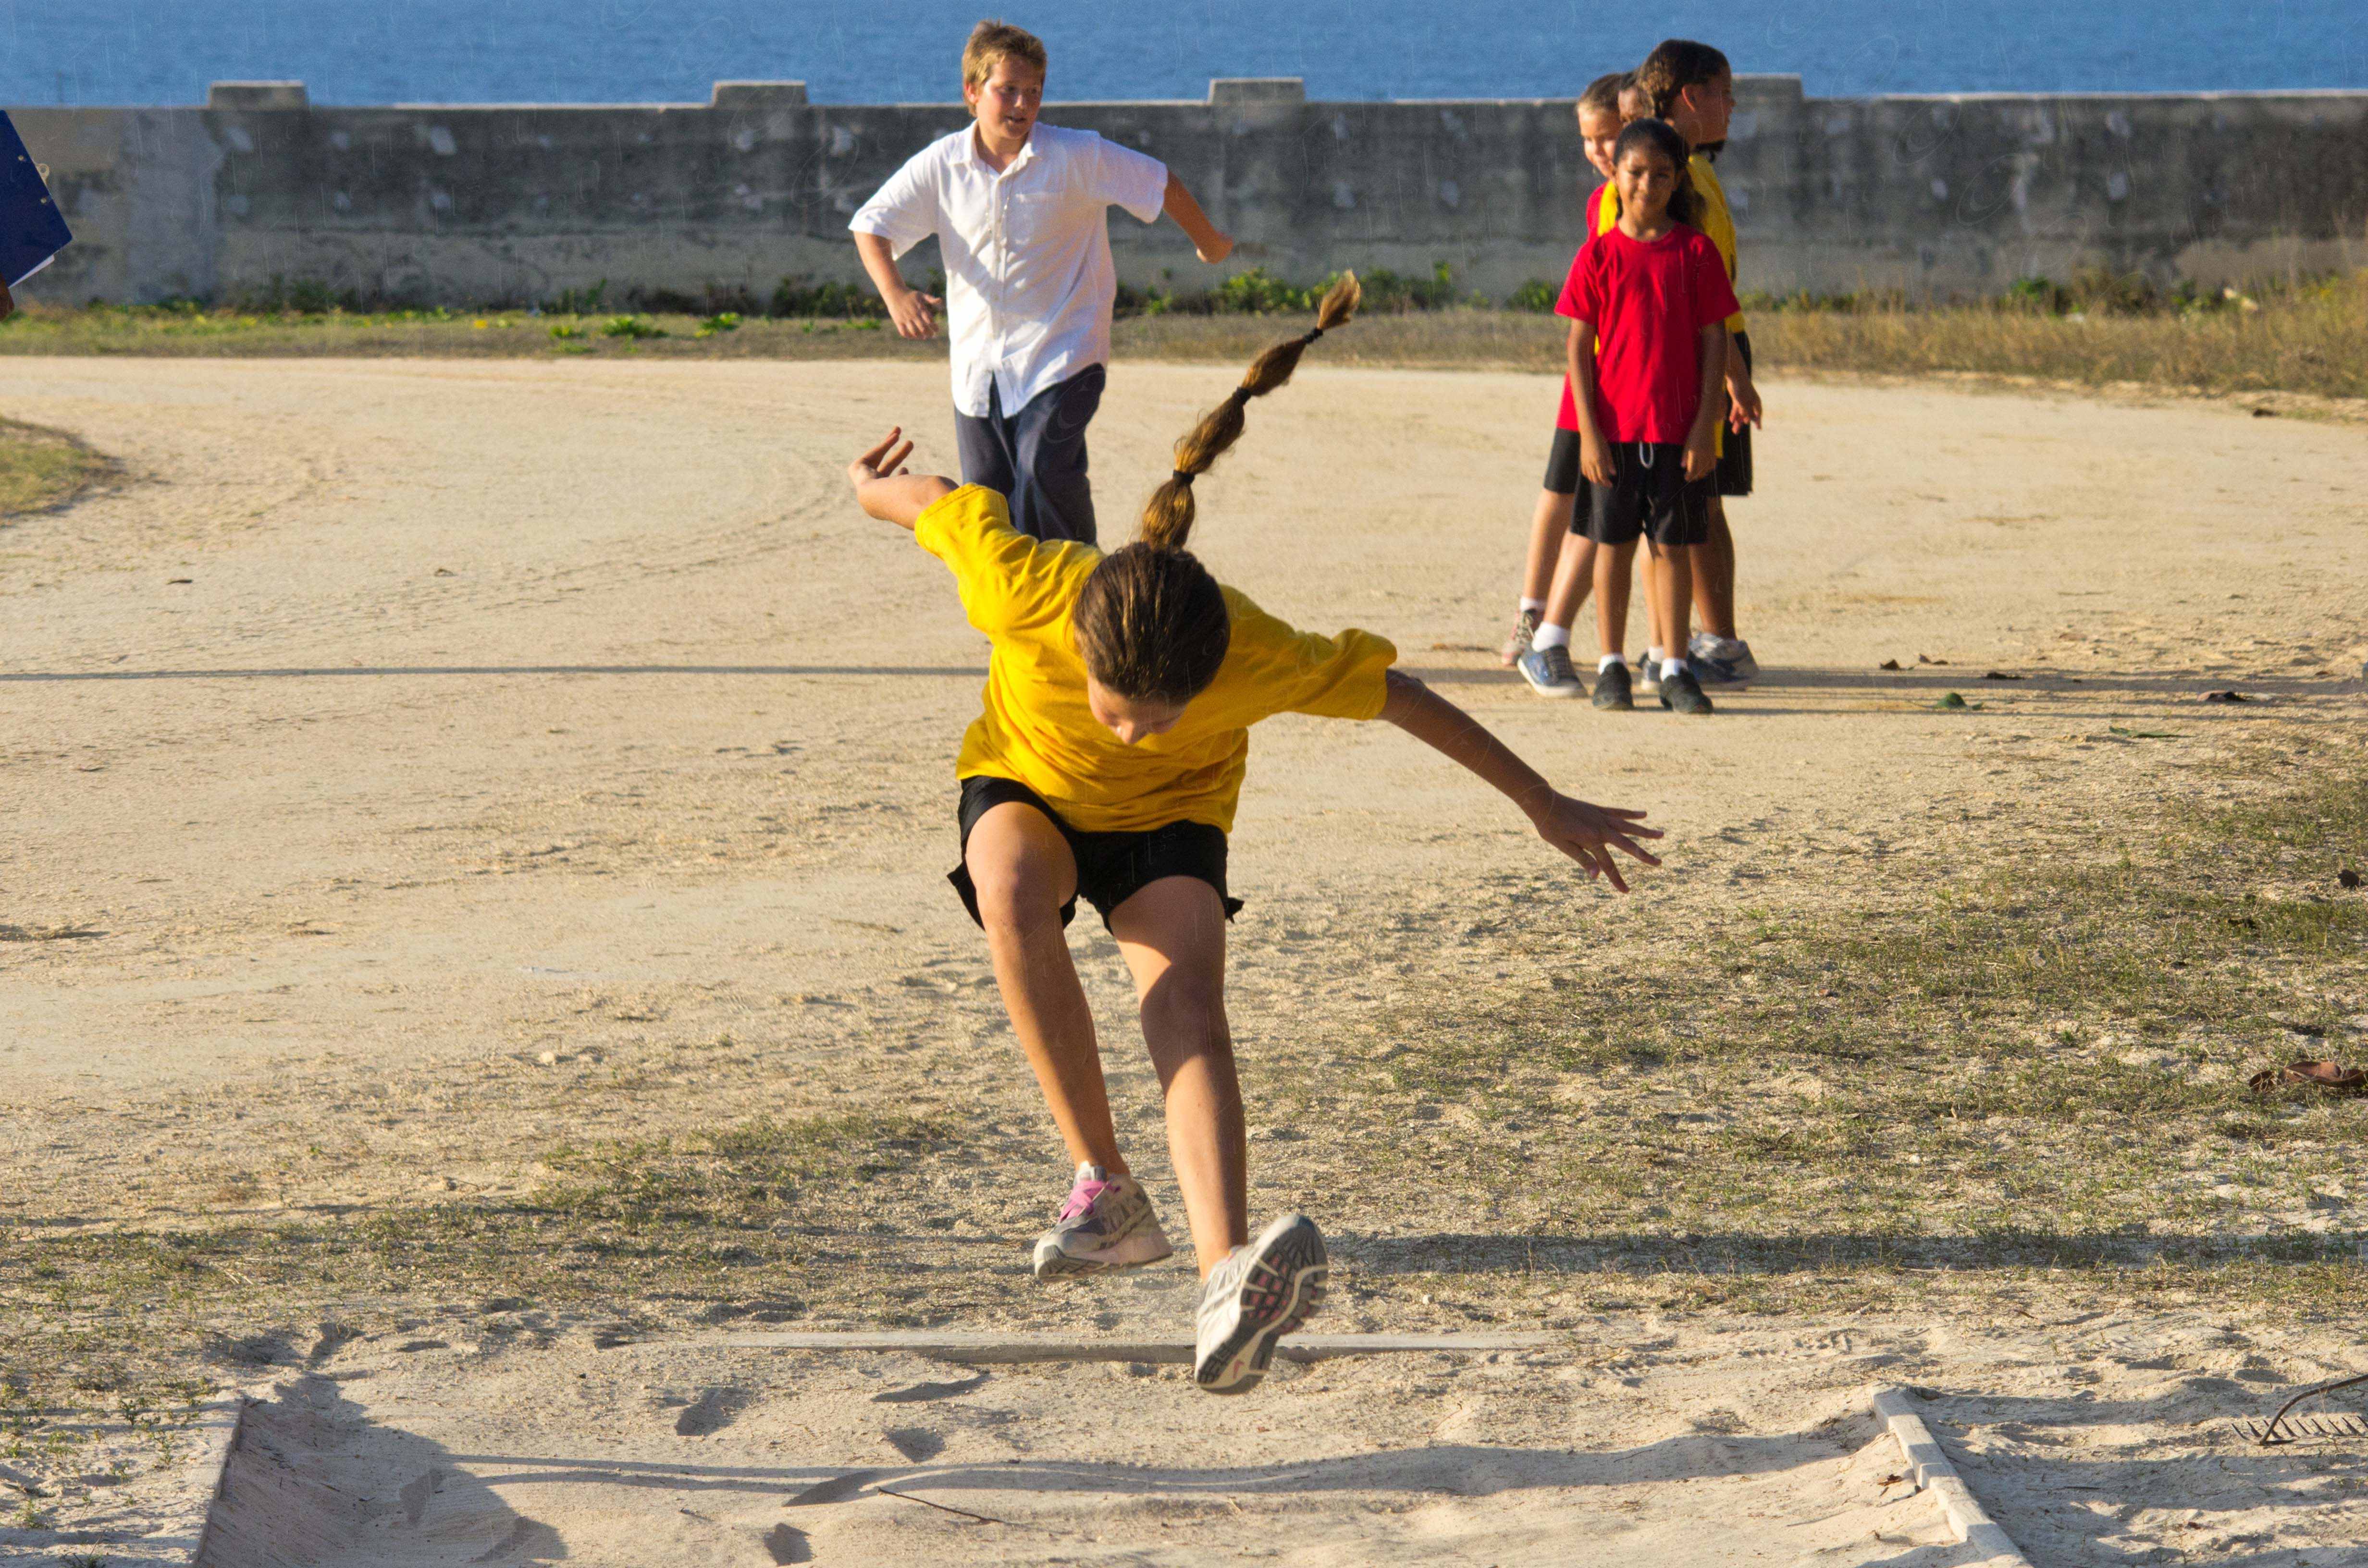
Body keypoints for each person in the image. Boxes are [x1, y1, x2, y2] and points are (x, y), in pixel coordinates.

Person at [843, 276, 1663, 1393]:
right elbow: (940, 502)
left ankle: (1226, 1278)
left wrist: (1542, 801)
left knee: (1185, 1007)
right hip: (1028, 784)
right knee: (1013, 887)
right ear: (1079, 648)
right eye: (1115, 709)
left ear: (1208, 677)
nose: (1133, 733)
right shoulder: (1024, 589)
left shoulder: (1255, 652)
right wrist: (868, 490)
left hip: (1174, 820)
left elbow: (1405, 698)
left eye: (1160, 715)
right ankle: (1106, 1189)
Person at [849, 20, 1234, 544]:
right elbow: (871, 226)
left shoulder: (1077, 155)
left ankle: (1084, 588)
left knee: (1043, 469)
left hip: (1066, 355)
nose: (1023, 104)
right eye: (1008, 89)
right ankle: (1012, 602)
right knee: (989, 507)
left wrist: (1209, 243)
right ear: (971, 91)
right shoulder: (942, 165)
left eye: (1033, 92)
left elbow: (1158, 181)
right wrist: (895, 294)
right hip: (977, 373)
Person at [1532, 119, 1738, 716]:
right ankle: (1611, 664)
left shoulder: (1695, 253)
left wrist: (1703, 429)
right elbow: (1578, 347)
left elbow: (1715, 342)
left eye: (1661, 174)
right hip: (1614, 435)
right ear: (1615, 176)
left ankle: (1673, 667)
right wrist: (1589, 436)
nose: (1647, 184)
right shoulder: (1597, 255)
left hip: (1678, 434)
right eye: (1636, 172)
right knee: (1612, 547)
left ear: (1677, 181)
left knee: (1672, 548)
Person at [1637, 39, 1765, 687]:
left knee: (1700, 500)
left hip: (1714, 346)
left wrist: (1732, 375)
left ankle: (1714, 641)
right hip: (1689, 353)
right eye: (1723, 92)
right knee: (1680, 502)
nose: (1732, 106)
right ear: (1691, 96)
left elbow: (1711, 287)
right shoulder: (1669, 173)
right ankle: (1683, 640)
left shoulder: (1694, 170)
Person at [1500, 72, 1629, 673]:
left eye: (1607, 136)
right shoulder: (1599, 203)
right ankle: (1532, 616)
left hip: (1629, 375)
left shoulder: (1652, 199)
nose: (1597, 150)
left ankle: (1658, 640)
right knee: (1559, 489)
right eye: (1587, 139)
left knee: (1615, 506)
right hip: (1591, 371)